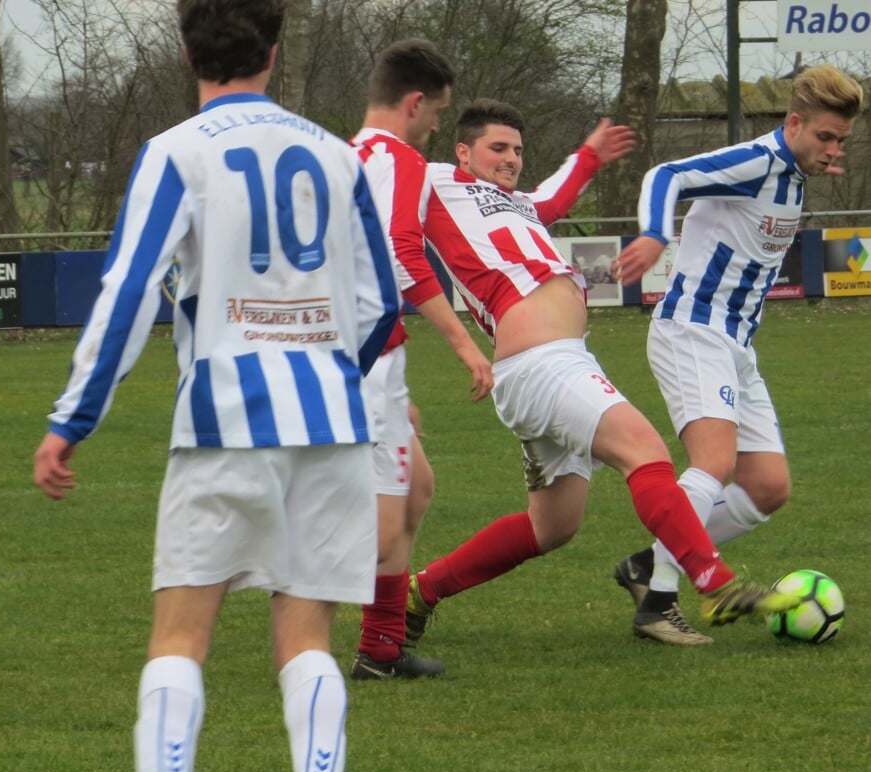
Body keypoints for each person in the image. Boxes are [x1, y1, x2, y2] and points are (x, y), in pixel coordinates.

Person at [32, 0, 400, 772]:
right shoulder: (336, 155)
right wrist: (329, 363)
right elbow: (382, 302)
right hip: (332, 421)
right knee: (304, 634)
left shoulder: (176, 152)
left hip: (224, 417)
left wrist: (73, 418)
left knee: (181, 630)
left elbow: (127, 293)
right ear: (272, 53)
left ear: (189, 52)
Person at [397, 99, 801, 649]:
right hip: (543, 366)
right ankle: (714, 581)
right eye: (498, 148)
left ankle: (420, 592)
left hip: (553, 366)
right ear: (463, 151)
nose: (511, 159)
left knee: (553, 528)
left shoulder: (518, 204)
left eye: (517, 150)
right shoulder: (433, 181)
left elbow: (553, 198)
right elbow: (374, 176)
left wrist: (588, 156)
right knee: (646, 451)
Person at [608, 65, 863, 645]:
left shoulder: (794, 177)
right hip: (692, 330)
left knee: (769, 486)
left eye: (840, 141)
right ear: (794, 123)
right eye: (824, 136)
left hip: (737, 344)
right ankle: (660, 604)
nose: (832, 149)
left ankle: (648, 566)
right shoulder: (757, 163)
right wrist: (654, 234)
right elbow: (666, 172)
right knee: (713, 464)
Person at [347, 39, 493, 681]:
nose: (438, 124)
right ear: (414, 103)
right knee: (379, 523)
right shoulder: (399, 159)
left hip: (366, 356)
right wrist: (464, 343)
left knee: (417, 490)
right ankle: (288, 594)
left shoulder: (344, 157)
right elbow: (404, 251)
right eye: (437, 112)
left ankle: (380, 648)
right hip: (361, 361)